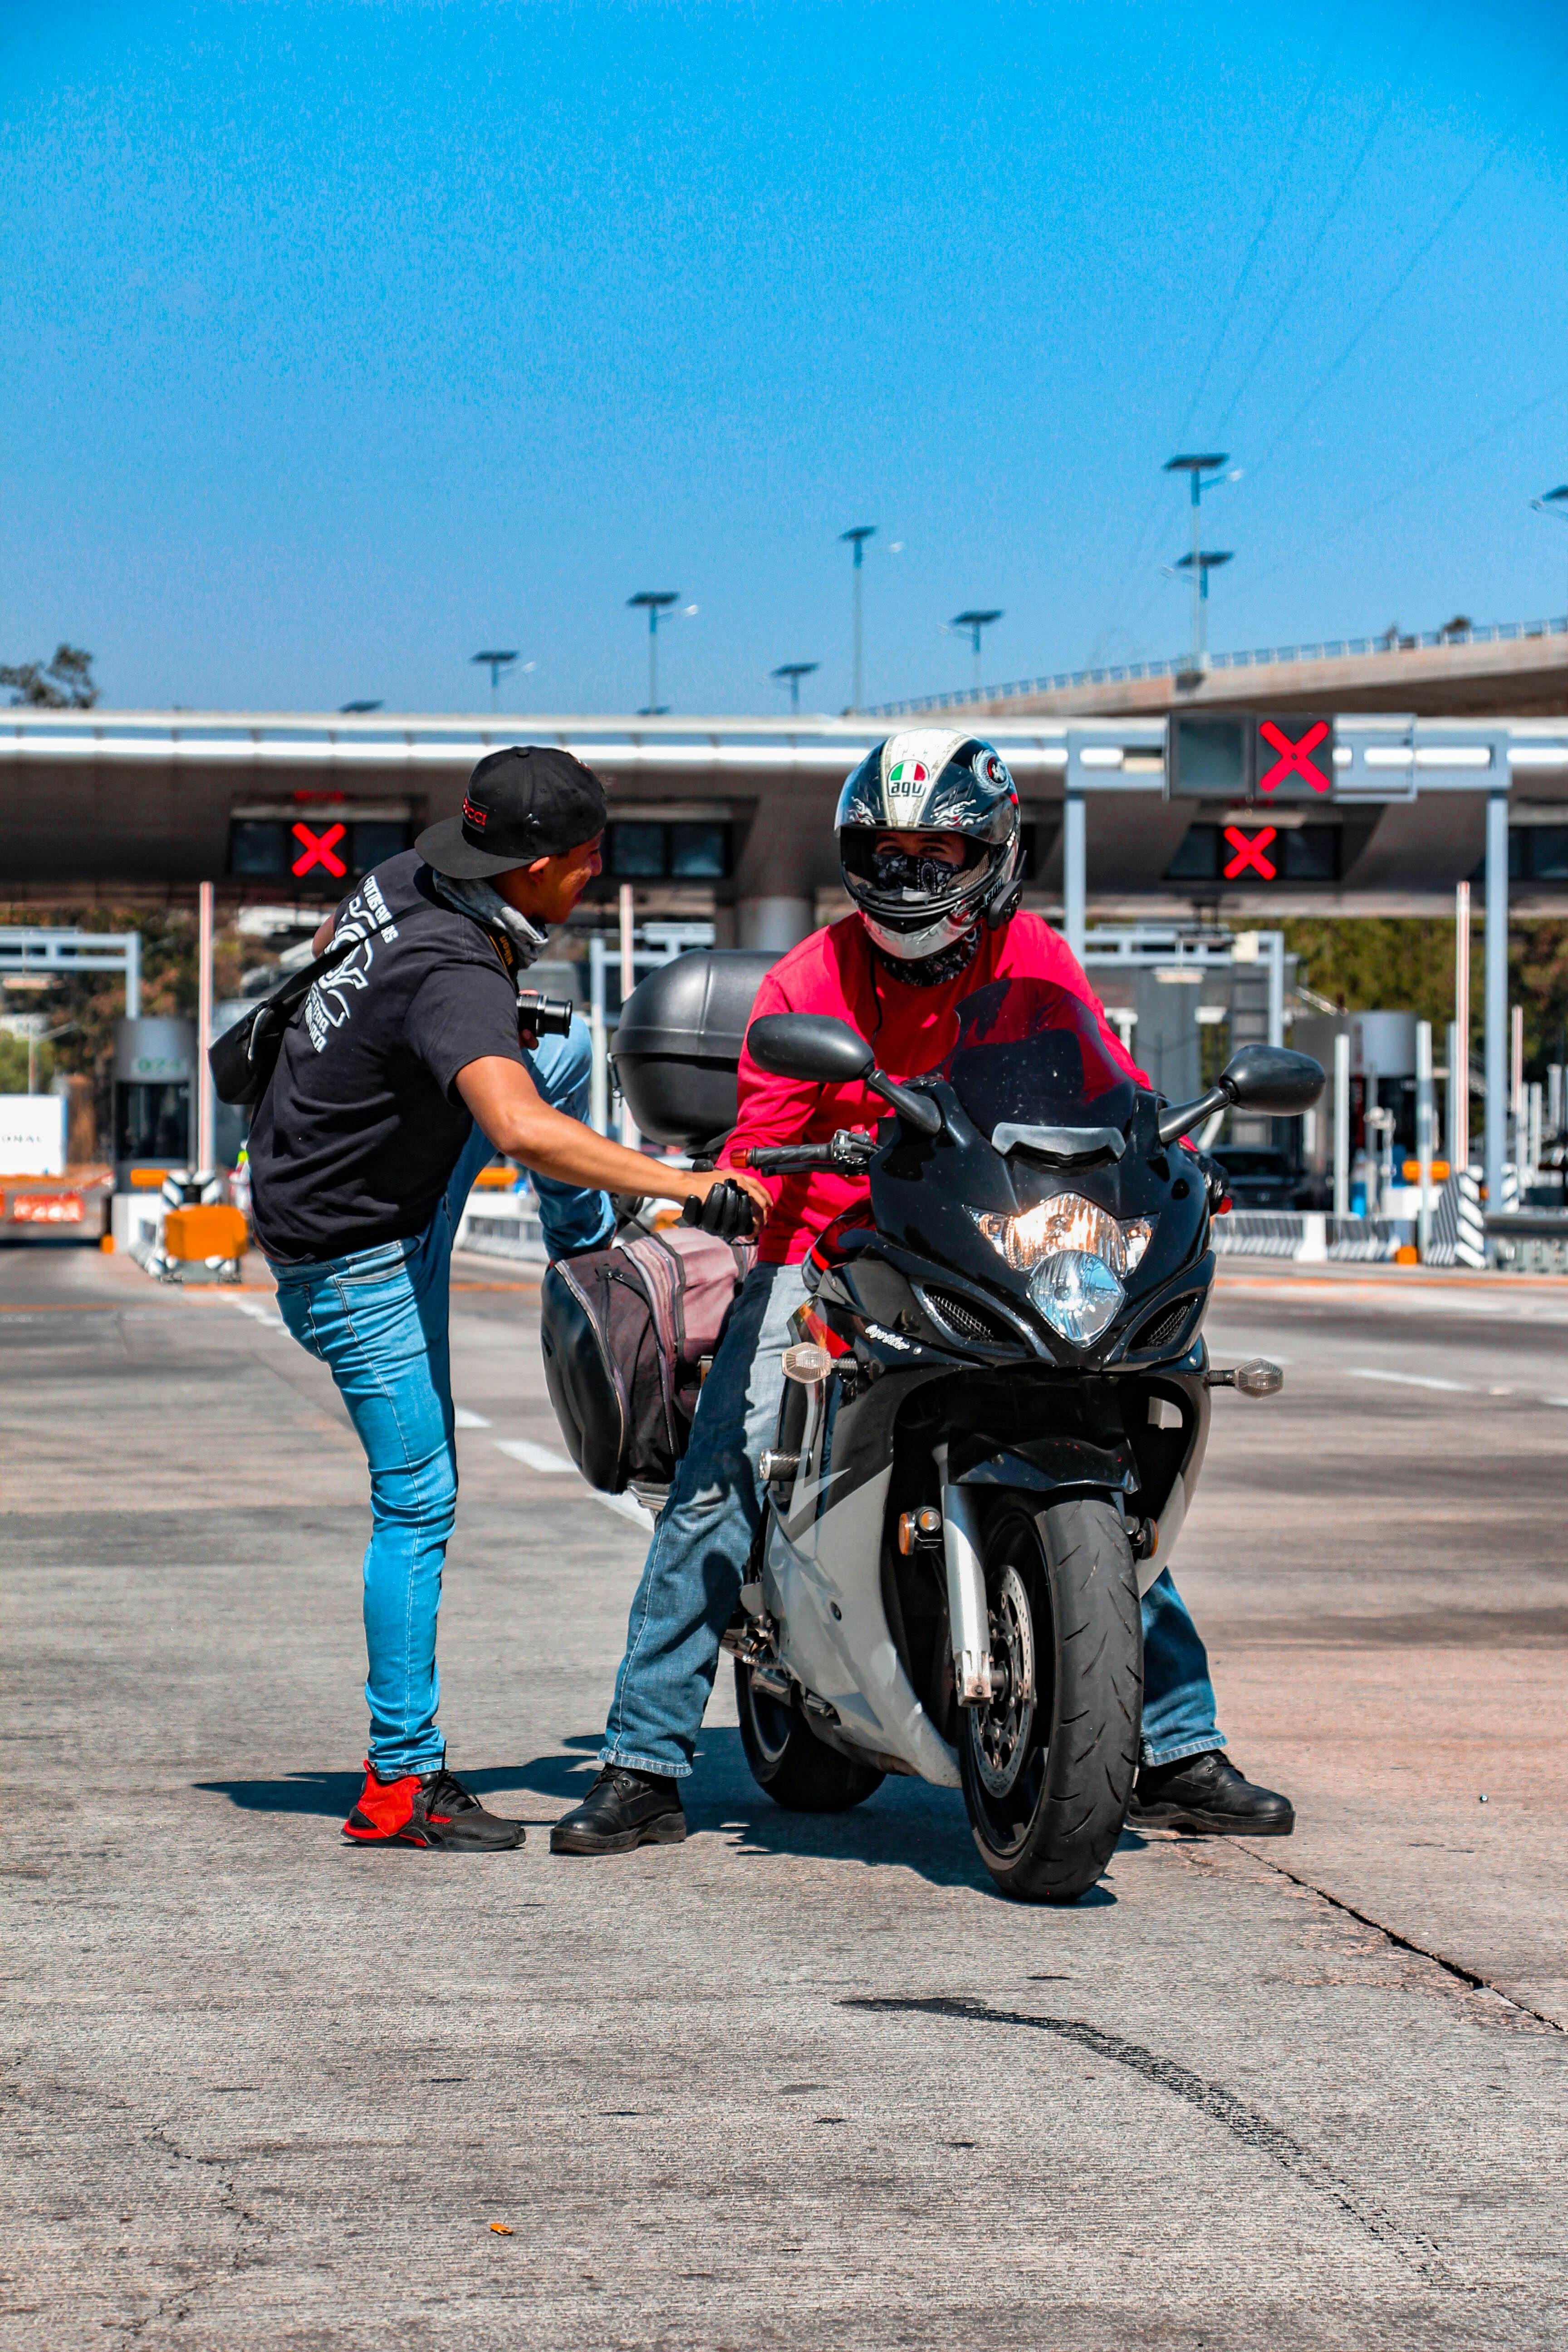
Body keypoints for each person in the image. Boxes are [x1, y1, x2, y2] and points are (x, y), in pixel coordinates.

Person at [552, 728, 1294, 1856]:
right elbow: (767, 1127)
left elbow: (1112, 1089)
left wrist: (1170, 1159)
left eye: (935, 853)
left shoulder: (1035, 954)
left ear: (992, 857)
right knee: (726, 1467)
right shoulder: (812, 976)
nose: (908, 877)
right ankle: (645, 1761)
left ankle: (1179, 1746)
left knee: (1106, 1451)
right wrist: (747, 1184)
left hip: (991, 1234)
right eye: (886, 852)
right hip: (832, 1240)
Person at [247, 745, 769, 1852]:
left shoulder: (408, 880)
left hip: (378, 1181)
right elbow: (523, 1127)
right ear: (530, 866)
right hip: (355, 1255)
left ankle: (586, 1268)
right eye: (585, 861)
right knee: (417, 1500)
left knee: (567, 1045)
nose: (593, 878)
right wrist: (692, 1189)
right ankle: (400, 1785)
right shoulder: (454, 972)